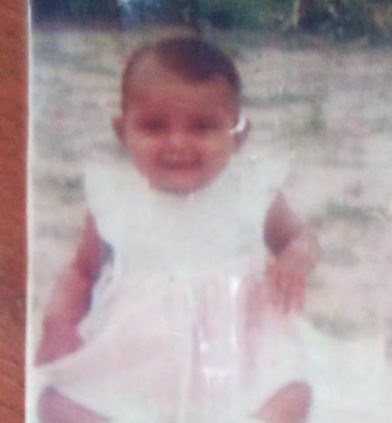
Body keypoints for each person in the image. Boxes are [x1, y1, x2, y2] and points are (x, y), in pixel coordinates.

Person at [35, 37, 317, 423]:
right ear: (122, 132)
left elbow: (298, 237)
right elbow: (82, 272)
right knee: (56, 405)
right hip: (133, 362)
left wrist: (295, 258)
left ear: (238, 135)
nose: (178, 143)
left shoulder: (251, 193)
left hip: (237, 357)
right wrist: (59, 322)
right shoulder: (116, 201)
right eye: (154, 127)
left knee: (293, 395)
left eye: (203, 127)